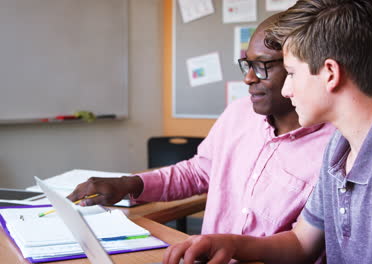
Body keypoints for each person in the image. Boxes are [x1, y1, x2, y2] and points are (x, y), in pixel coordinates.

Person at [162, 0, 372, 263]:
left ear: (330, 74)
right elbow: (300, 243)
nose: (286, 88)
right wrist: (231, 243)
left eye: (292, 73)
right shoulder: (340, 147)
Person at [67, 13, 334, 237]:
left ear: (298, 67)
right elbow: (199, 172)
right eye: (247, 65)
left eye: (263, 65)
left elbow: (305, 247)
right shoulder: (239, 114)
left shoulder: (335, 147)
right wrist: (128, 184)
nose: (249, 78)